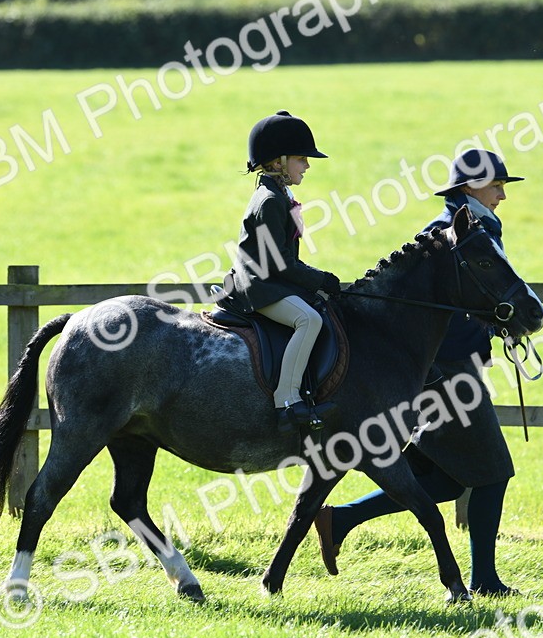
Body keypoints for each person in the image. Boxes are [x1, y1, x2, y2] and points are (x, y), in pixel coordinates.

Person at [313, 149, 524, 596]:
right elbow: (429, 319)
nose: (503, 194)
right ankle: (484, 581)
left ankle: (340, 518)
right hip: (445, 375)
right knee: (492, 472)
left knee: (446, 478)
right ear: (470, 189)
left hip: (455, 370)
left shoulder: (480, 227)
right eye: (497, 185)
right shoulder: (446, 236)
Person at [220, 111, 342, 434]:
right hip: (260, 287)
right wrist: (320, 280)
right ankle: (287, 401)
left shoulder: (281, 195)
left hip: (272, 281)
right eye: (301, 159)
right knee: (309, 319)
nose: (307, 165)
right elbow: (281, 263)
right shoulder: (270, 202)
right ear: (278, 162)